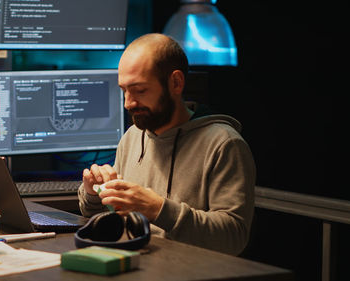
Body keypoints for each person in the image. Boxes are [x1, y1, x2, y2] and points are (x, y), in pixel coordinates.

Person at [78, 33, 256, 256]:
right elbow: (105, 215)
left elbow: (233, 238)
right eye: (124, 90)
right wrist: (94, 193)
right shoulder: (133, 136)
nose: (128, 103)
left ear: (176, 82)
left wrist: (158, 209)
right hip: (135, 265)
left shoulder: (224, 144)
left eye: (140, 90)